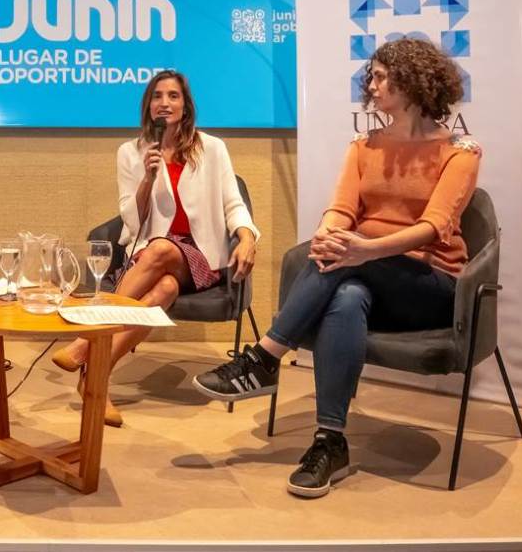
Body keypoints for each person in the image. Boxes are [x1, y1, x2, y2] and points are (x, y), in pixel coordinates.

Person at [194, 38, 481, 498]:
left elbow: (433, 228)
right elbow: (341, 210)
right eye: (373, 75)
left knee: (347, 265)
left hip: (430, 284)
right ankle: (330, 441)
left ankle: (265, 358)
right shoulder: (364, 146)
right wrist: (331, 233)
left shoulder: (460, 152)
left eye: (383, 75)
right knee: (345, 293)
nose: (372, 83)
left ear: (412, 80)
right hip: (360, 272)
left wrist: (366, 250)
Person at [52, 69, 259, 427]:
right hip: (149, 254)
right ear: (148, 106)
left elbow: (232, 202)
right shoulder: (130, 153)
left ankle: (87, 342)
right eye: (157, 96)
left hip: (201, 255)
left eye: (173, 96)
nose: (165, 102)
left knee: (162, 249)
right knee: (163, 288)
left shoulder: (212, 148)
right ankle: (96, 382)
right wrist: (147, 179)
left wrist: (247, 236)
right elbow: (131, 221)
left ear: (185, 104)